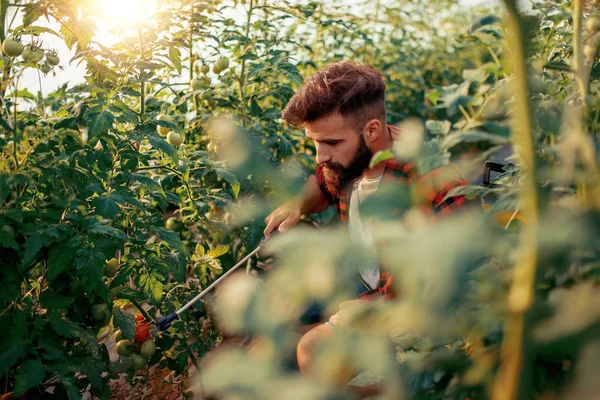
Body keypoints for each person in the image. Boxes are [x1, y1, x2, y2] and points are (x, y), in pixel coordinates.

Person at [263, 61, 469, 391]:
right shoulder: (357, 154)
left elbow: (455, 283)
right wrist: (298, 205)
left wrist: (371, 310)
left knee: (312, 350)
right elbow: (323, 181)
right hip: (364, 280)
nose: (319, 156)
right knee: (275, 330)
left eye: (329, 143)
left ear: (371, 130)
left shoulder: (436, 187)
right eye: (314, 143)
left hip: (407, 307)